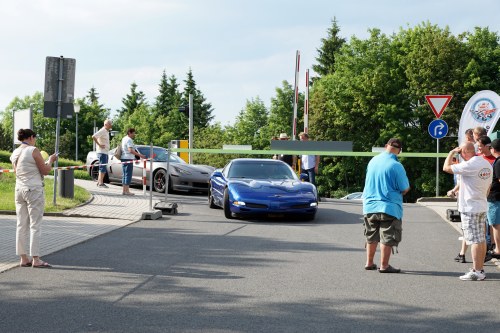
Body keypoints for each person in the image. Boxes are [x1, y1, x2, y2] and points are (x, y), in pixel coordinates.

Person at [443, 141, 492, 281]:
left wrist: (451, 152)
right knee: (481, 239)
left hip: (470, 207)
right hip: (481, 205)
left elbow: (446, 168)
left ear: (464, 152)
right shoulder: (486, 164)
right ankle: (480, 268)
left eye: (461, 152)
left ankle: (477, 271)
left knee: (474, 240)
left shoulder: (470, 164)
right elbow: (488, 187)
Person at [10, 129, 58, 268]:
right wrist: (51, 160)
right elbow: (45, 170)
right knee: (35, 224)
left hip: (19, 190)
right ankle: (36, 259)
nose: (35, 140)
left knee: (21, 224)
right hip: (34, 190)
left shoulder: (15, 152)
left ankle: (23, 258)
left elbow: (16, 172)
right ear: (31, 137)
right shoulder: (33, 150)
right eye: (35, 138)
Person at [362, 138, 410, 273]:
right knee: (387, 236)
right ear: (399, 151)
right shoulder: (396, 166)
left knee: (371, 235)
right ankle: (384, 265)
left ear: (385, 146)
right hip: (389, 207)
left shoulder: (373, 161)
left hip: (370, 205)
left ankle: (369, 262)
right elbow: (405, 187)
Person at [120, 128, 145, 196]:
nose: (134, 134)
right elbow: (130, 150)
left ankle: (124, 191)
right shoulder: (129, 140)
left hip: (123, 158)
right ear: (130, 133)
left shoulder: (124, 138)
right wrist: (140, 155)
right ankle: (127, 191)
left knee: (124, 174)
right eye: (134, 133)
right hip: (128, 158)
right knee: (128, 174)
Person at [487, 139, 500, 259]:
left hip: (495, 197)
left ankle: (498, 249)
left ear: (494, 149)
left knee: (495, 224)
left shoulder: (498, 162)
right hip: (495, 197)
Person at [92, 119, 112, 188]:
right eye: (110, 124)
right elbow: (94, 136)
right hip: (102, 152)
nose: (111, 125)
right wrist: (99, 145)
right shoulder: (103, 130)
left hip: (105, 152)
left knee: (103, 167)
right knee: (102, 167)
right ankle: (100, 183)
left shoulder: (106, 131)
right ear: (106, 124)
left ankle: (99, 182)